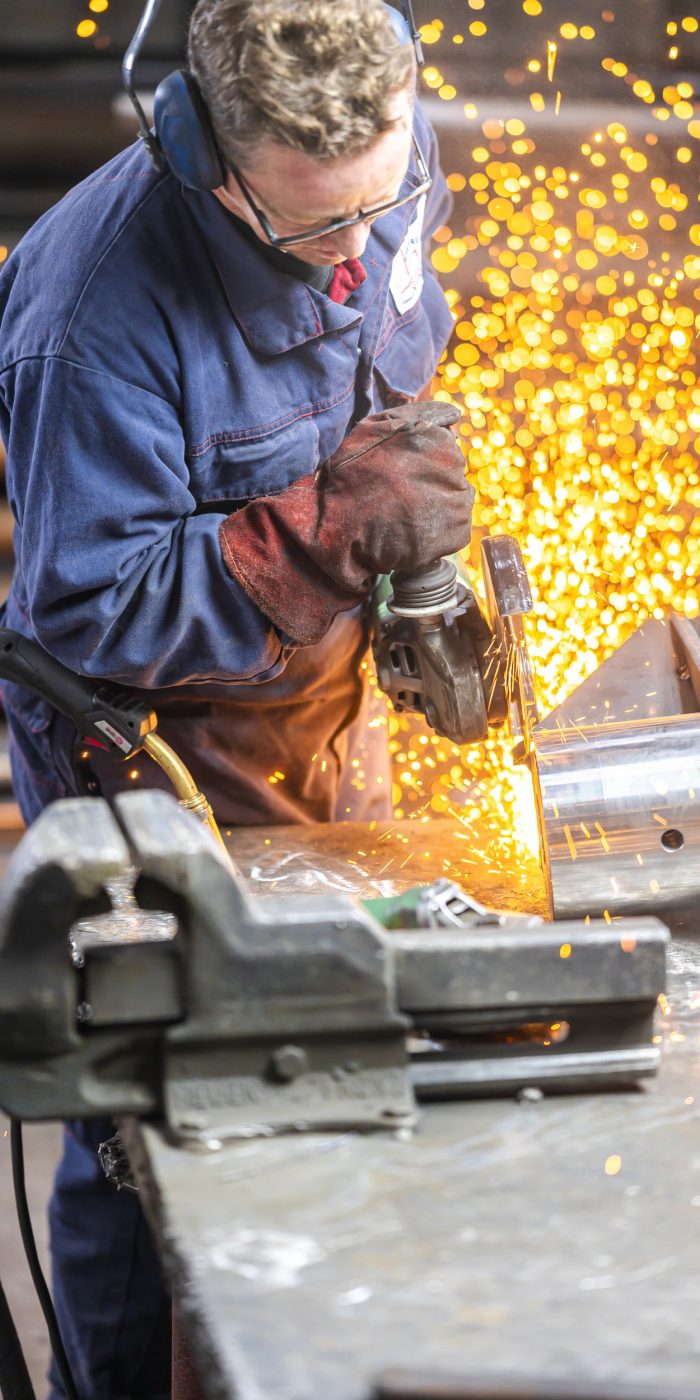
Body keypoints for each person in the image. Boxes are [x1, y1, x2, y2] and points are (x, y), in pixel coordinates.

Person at [0, 0, 473, 1394]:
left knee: (352, 1071)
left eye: (376, 216)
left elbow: (388, 332)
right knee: (170, 1123)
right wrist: (331, 529)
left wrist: (410, 569)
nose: (352, 264)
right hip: (162, 756)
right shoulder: (94, 320)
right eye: (313, 235)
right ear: (212, 157)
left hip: (322, 701)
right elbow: (91, 605)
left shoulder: (375, 163)